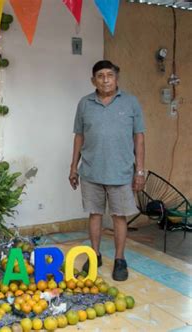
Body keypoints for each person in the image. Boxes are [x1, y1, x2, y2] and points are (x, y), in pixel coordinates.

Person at [69, 60, 146, 281]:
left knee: (119, 216)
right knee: (94, 214)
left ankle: (120, 259)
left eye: (109, 75)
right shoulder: (85, 104)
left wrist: (139, 171)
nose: (105, 79)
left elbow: (139, 137)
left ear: (116, 78)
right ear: (93, 80)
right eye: (100, 75)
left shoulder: (131, 103)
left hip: (121, 172)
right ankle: (95, 255)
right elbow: (79, 136)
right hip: (91, 171)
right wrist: (74, 166)